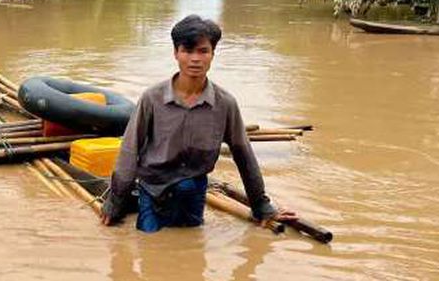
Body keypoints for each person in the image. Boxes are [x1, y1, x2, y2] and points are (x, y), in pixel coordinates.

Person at [101, 15, 297, 232]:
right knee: (149, 245)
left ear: (213, 54)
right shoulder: (152, 99)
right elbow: (130, 150)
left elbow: (243, 154)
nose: (195, 59)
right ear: (176, 53)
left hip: (193, 189)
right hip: (153, 187)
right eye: (187, 50)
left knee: (193, 247)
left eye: (203, 51)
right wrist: (115, 203)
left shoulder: (225, 104)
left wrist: (261, 205)